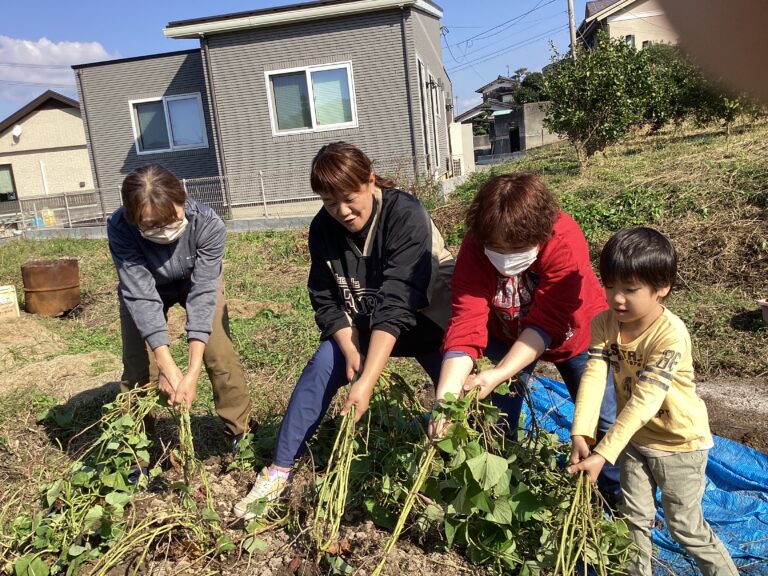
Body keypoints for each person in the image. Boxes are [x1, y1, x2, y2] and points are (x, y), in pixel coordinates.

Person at [233, 142, 454, 520]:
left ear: (370, 181)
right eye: (330, 202)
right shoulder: (324, 227)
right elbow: (324, 295)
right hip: (367, 319)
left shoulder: (405, 214)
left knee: (455, 401)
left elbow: (399, 299)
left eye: (349, 199)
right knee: (324, 363)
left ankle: (457, 472)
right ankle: (279, 470)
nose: (343, 211)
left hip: (427, 319)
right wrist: (352, 351)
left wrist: (367, 380)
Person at [432, 173, 621, 501]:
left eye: (516, 248)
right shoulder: (476, 246)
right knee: (500, 416)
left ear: (541, 233)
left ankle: (615, 496)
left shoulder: (564, 239)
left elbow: (547, 323)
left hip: (575, 338)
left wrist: (498, 373)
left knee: (602, 418)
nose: (505, 256)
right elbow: (466, 323)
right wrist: (442, 404)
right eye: (496, 248)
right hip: (506, 335)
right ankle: (502, 492)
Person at [567, 227, 738, 576]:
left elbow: (646, 399)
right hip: (635, 441)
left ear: (662, 289)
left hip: (679, 444)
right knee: (632, 521)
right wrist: (581, 432)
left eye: (630, 289)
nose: (617, 298)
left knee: (684, 527)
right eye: (610, 285)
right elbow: (594, 374)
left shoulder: (670, 334)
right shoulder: (604, 323)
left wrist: (602, 453)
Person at [108, 164, 251, 458]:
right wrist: (167, 366)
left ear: (182, 200)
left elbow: (203, 294)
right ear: (133, 220)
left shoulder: (208, 224)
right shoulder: (121, 228)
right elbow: (141, 296)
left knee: (219, 353)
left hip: (193, 282)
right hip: (146, 287)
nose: (164, 231)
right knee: (138, 365)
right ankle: (137, 448)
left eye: (171, 219)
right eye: (150, 225)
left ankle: (241, 432)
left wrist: (192, 370)